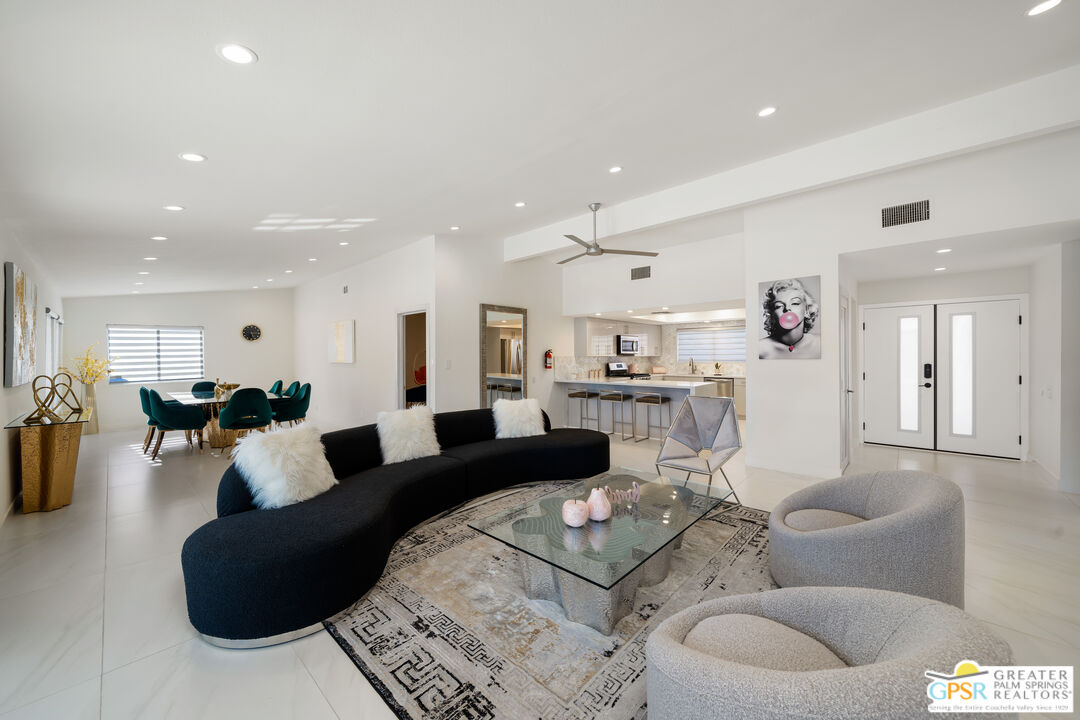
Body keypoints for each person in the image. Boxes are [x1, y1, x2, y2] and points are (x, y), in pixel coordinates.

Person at [759, 278, 821, 359]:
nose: (787, 308)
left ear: (806, 310)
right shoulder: (760, 348)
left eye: (795, 303)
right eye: (778, 306)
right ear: (772, 314)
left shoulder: (820, 344)